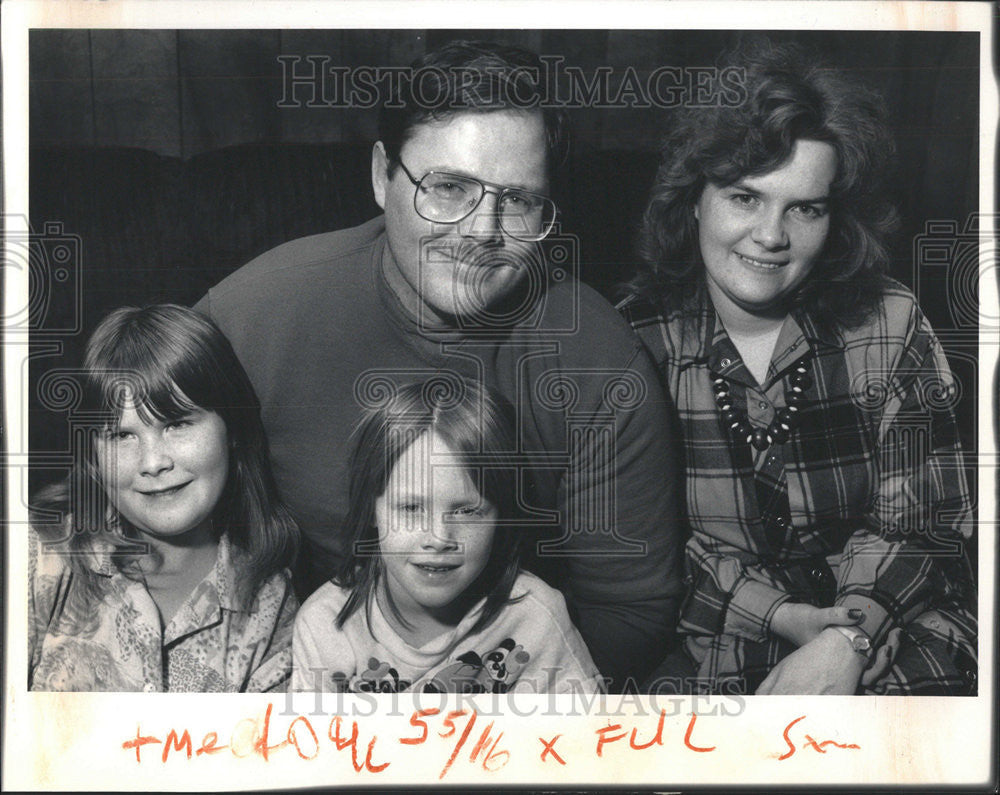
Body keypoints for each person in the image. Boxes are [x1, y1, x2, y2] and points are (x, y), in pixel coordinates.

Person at [196, 40, 683, 689]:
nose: (483, 231)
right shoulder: (254, 312)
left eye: (518, 200)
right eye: (449, 187)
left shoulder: (598, 360)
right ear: (381, 175)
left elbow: (631, 608)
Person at [618, 41, 977, 695]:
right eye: (744, 198)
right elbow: (646, 559)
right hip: (720, 645)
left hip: (895, 629)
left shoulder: (888, 323)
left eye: (804, 207)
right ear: (693, 198)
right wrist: (785, 617)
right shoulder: (637, 344)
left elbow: (931, 525)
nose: (772, 235)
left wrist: (850, 633)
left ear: (834, 217)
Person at [28, 305, 299, 692]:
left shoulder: (270, 604)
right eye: (121, 435)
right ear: (93, 453)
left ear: (233, 429)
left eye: (178, 424)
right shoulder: (43, 557)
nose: (153, 463)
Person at [292, 379, 603, 694]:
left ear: (502, 517)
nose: (439, 538)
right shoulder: (326, 626)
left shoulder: (537, 617)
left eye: (467, 511)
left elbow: (584, 739)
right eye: (411, 508)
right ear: (371, 509)